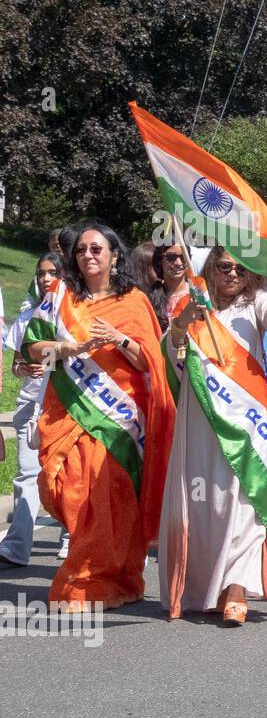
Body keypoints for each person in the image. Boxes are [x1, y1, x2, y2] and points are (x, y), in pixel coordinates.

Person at [22, 221, 175, 610]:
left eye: (96, 249)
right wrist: (68, 349)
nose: (88, 255)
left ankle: (91, 582)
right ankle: (112, 576)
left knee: (109, 496)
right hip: (67, 409)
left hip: (119, 418)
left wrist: (119, 340)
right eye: (81, 251)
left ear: (114, 254)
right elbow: (32, 349)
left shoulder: (134, 301)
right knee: (70, 491)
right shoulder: (60, 297)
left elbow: (150, 362)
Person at [158, 248, 267, 623]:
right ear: (212, 268)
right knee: (206, 502)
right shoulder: (191, 301)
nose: (233, 274)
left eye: (242, 268)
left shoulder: (257, 302)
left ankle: (237, 586)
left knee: (245, 500)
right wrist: (181, 325)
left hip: (245, 419)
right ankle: (204, 586)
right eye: (225, 267)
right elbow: (170, 354)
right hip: (201, 418)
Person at [0, 252, 62, 569]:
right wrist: (25, 370)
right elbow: (16, 366)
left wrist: (48, 364)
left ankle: (72, 539)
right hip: (30, 404)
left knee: (66, 476)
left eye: (52, 273)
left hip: (64, 406)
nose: (45, 278)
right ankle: (17, 545)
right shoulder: (26, 317)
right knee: (26, 472)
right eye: (41, 273)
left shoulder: (72, 316)